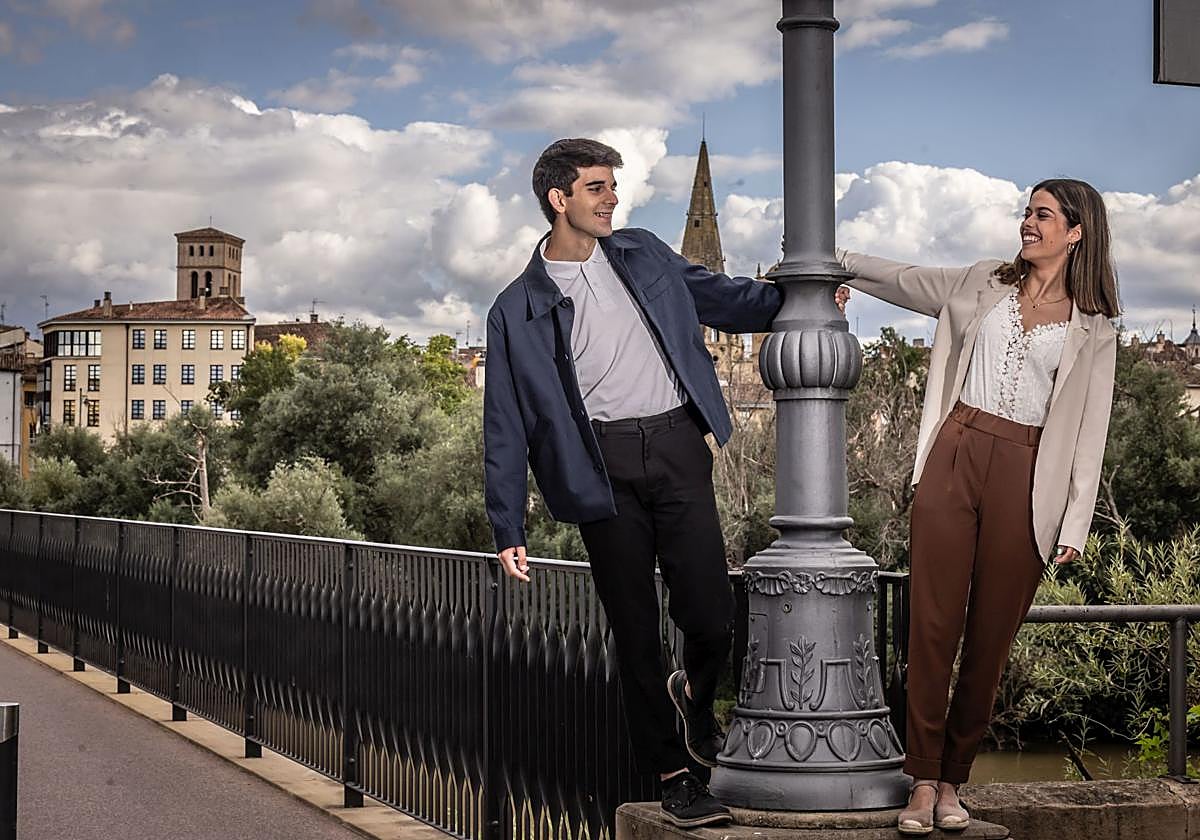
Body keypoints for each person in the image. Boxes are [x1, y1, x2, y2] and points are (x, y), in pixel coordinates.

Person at [483, 138, 783, 827]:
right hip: (599, 468)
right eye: (596, 187)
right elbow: (504, 420)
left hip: (677, 445)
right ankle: (674, 776)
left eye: (612, 186)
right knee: (635, 630)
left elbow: (723, 298)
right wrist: (507, 523)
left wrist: (801, 297)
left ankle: (696, 695)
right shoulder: (515, 308)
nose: (612, 198)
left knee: (711, 612)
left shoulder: (643, 252)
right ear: (558, 199)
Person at [836, 178, 1120, 835]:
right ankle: (920, 781)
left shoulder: (1095, 328)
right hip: (956, 451)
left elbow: (1091, 430)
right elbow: (903, 280)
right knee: (931, 627)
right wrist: (834, 258)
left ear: (1076, 231)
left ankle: (953, 784)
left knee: (990, 640)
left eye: (1042, 215)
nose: (1028, 223)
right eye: (1027, 211)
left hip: (1030, 475)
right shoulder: (982, 281)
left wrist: (1075, 519)